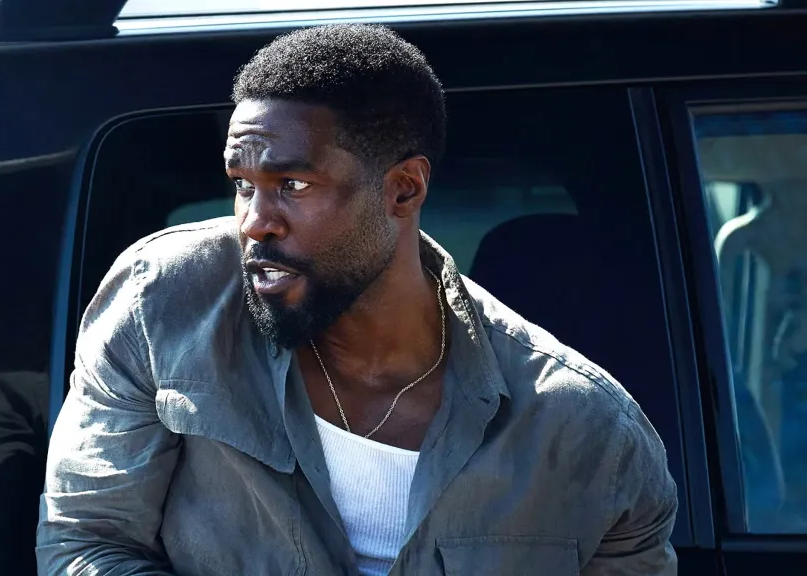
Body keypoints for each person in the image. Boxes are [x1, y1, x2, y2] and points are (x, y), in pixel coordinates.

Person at [37, 24, 678, 575]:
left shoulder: (588, 435)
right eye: (242, 184)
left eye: (292, 183)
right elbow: (85, 540)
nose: (255, 222)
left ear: (403, 190)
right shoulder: (164, 304)